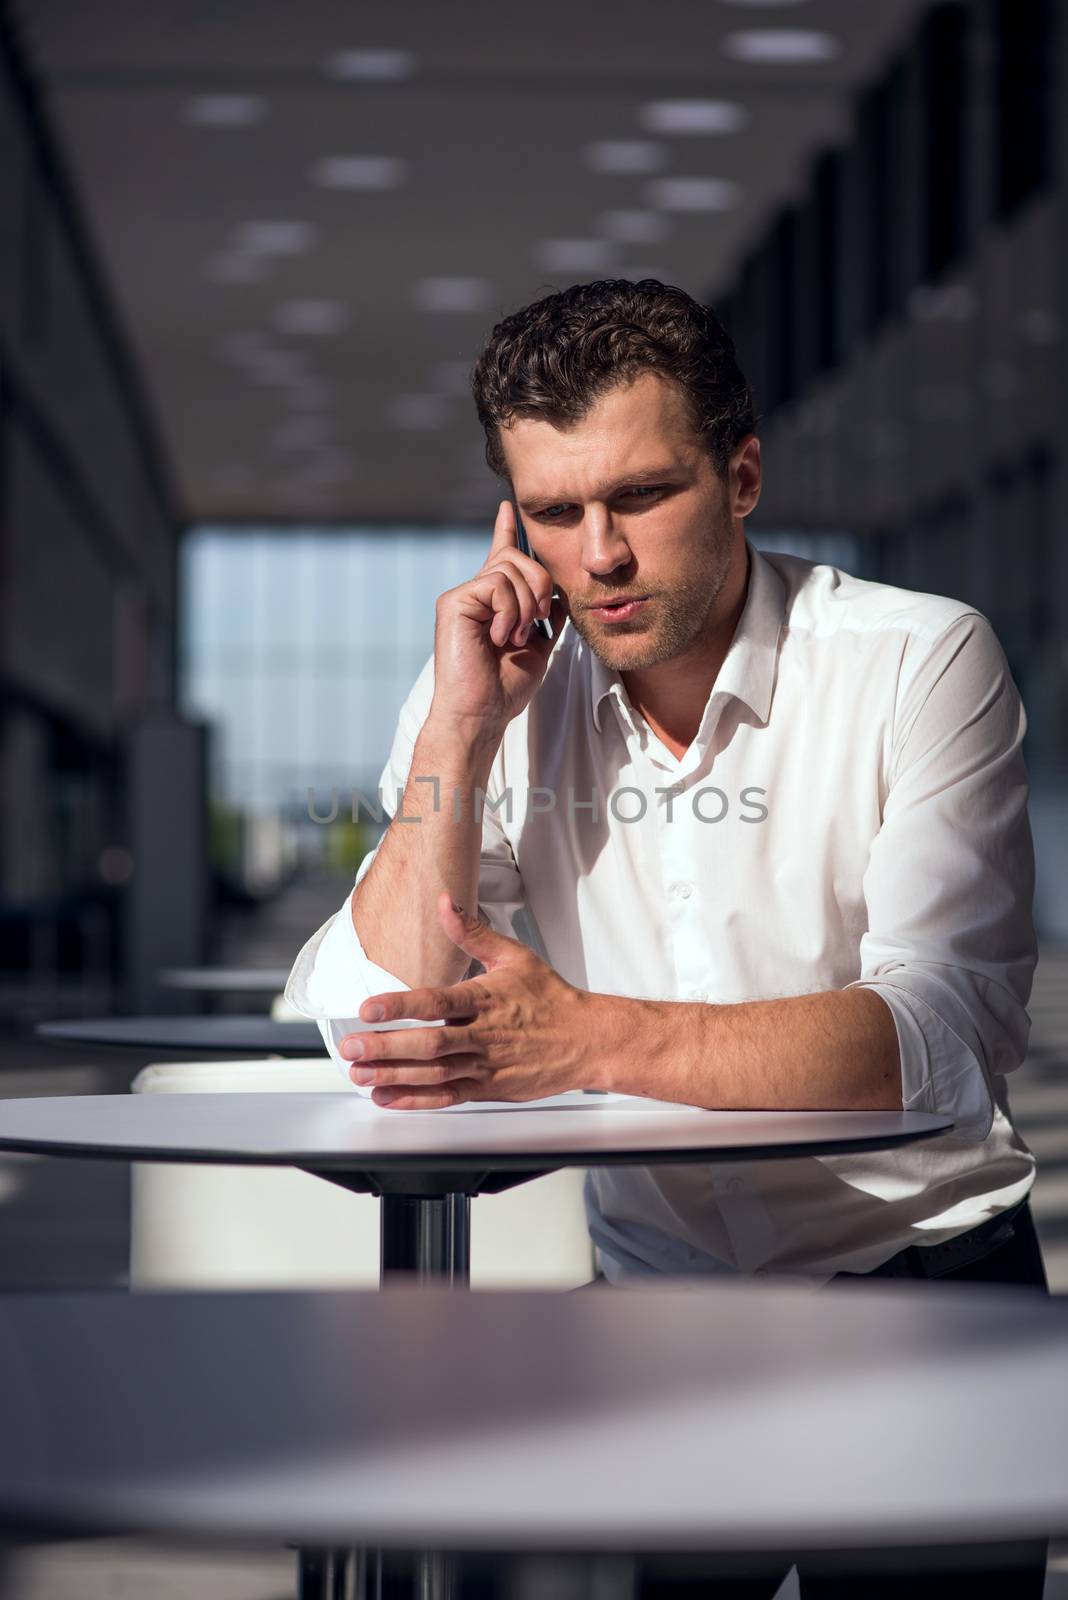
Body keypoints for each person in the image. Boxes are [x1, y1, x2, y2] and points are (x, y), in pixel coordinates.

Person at [286, 279, 1047, 1593]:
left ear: (742, 473)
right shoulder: (488, 691)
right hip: (663, 1323)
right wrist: (463, 734)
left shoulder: (919, 661)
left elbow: (936, 1048)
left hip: (927, 1299)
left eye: (641, 497)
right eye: (555, 513)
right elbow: (372, 1013)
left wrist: (581, 1040)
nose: (600, 557)